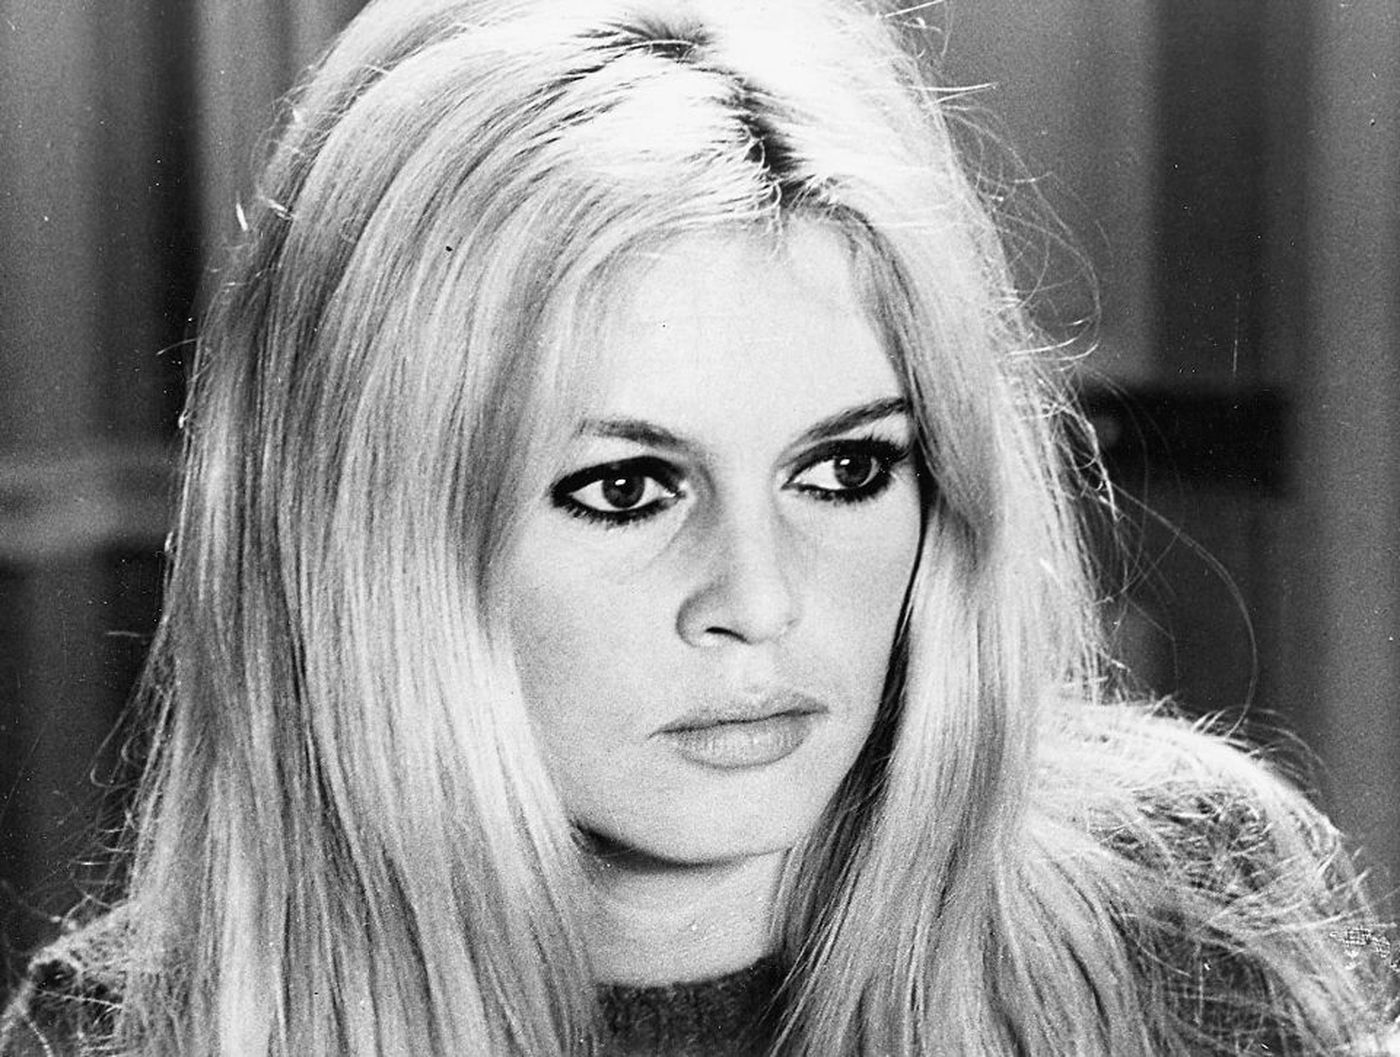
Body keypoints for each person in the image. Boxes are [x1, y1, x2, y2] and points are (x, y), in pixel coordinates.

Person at [2, 0, 1396, 1053]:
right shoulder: (133, 1033)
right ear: (373, 539)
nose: (760, 598)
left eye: (845, 468)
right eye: (627, 488)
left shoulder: (1186, 911)